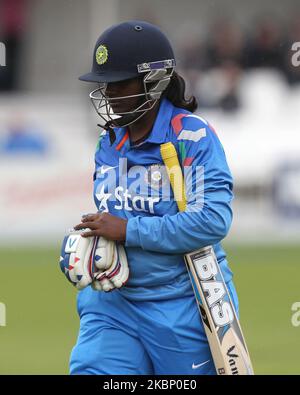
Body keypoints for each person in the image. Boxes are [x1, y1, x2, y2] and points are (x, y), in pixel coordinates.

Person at [69, 20, 238, 375]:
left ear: (154, 81)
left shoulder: (191, 137)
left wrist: (129, 231)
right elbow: (111, 222)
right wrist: (86, 251)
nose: (109, 93)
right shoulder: (108, 143)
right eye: (105, 83)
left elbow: (212, 221)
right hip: (114, 305)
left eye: (120, 83)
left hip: (183, 304)